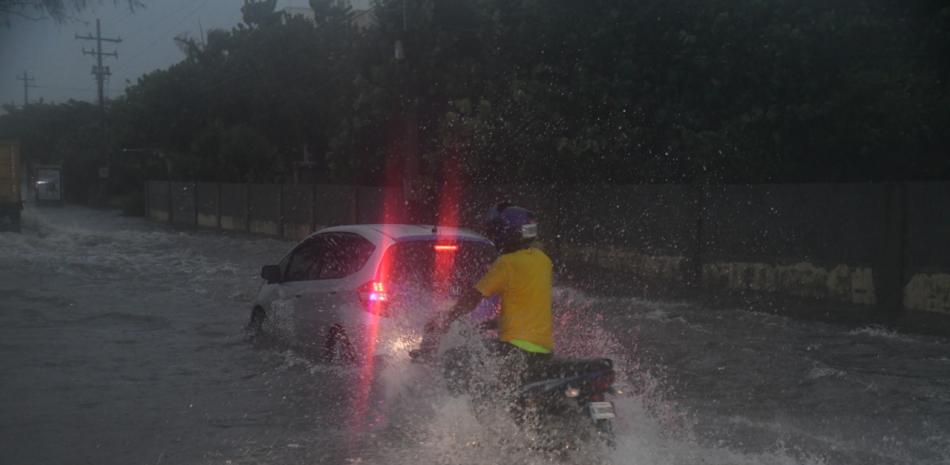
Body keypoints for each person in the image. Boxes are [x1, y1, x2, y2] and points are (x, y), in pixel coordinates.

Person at [415, 202, 554, 390]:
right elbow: (528, 302)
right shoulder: (543, 261)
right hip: (544, 351)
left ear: (505, 232)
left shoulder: (507, 263)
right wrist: (493, 323)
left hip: (516, 349)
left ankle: (464, 412)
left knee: (455, 359)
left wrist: (447, 319)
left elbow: (473, 299)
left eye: (496, 231)